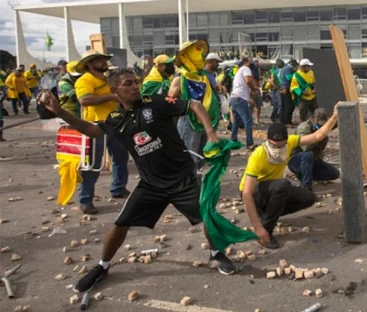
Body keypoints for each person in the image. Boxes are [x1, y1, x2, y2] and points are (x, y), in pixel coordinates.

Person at [37, 68, 237, 294]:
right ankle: (102, 266)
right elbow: (90, 130)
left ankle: (216, 254)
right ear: (115, 91)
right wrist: (58, 110)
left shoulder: (157, 101)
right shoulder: (115, 119)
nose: (134, 87)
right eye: (128, 84)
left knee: (208, 217)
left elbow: (194, 105)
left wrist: (210, 132)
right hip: (151, 185)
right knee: (120, 224)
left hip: (184, 178)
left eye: (135, 82)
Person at [239, 107, 339, 249]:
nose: (278, 149)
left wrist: (334, 116)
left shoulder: (291, 142)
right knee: (283, 185)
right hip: (254, 194)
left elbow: (317, 136)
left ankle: (267, 214)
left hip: (272, 189)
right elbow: (246, 193)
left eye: (281, 145)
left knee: (308, 197)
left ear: (287, 141)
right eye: (274, 145)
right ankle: (266, 230)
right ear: (267, 140)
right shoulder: (258, 155)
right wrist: (257, 228)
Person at [74, 50, 130, 214]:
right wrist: (111, 98)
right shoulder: (84, 80)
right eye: (100, 60)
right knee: (93, 165)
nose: (104, 63)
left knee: (121, 157)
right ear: (90, 64)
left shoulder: (106, 79)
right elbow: (84, 100)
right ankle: (86, 199)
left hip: (114, 123)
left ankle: (118, 188)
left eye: (104, 60)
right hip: (94, 126)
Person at [169, 40, 221, 176]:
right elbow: (170, 101)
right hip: (189, 120)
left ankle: (191, 175)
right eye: (196, 53)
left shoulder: (202, 76)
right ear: (187, 56)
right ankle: (187, 183)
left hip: (206, 120)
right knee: (189, 154)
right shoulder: (180, 78)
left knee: (203, 154)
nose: (201, 56)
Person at [288, 108, 339, 191]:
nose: (321, 126)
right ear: (314, 119)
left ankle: (307, 175)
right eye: (319, 123)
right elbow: (306, 147)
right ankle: (306, 187)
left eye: (323, 124)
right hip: (296, 159)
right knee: (308, 155)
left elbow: (333, 124)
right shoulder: (304, 127)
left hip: (312, 160)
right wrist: (318, 136)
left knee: (334, 173)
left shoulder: (321, 127)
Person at [230, 57, 260, 149]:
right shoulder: (246, 68)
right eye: (250, 61)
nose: (252, 63)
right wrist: (254, 88)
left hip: (234, 97)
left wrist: (251, 91)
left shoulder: (239, 71)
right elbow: (248, 81)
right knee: (248, 120)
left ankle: (233, 140)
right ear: (246, 62)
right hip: (240, 98)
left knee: (236, 121)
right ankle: (249, 143)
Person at [279, 59, 298, 126]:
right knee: (289, 105)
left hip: (283, 88)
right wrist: (296, 73)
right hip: (286, 88)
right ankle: (287, 122)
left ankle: (284, 121)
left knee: (284, 106)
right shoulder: (288, 68)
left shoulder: (284, 68)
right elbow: (288, 78)